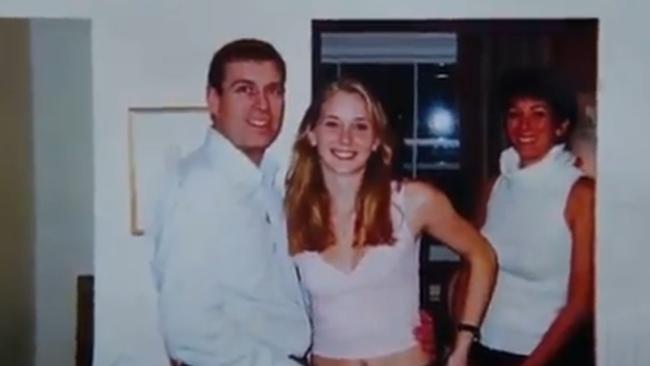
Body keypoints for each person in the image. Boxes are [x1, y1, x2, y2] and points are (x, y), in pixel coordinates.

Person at [151, 39, 433, 366]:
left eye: (273, 91)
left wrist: (394, 321)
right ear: (213, 100)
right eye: (245, 90)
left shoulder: (271, 189)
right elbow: (189, 332)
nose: (262, 105)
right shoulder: (198, 188)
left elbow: (290, 297)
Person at [285, 78, 497, 366]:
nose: (345, 138)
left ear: (375, 141)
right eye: (332, 124)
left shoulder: (413, 201)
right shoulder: (290, 211)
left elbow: (482, 255)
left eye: (360, 126)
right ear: (312, 134)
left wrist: (462, 346)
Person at [453, 68, 595, 366]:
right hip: (483, 348)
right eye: (514, 114)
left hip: (549, 355)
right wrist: (459, 343)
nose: (524, 125)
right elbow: (469, 268)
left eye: (538, 113)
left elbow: (580, 303)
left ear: (561, 126)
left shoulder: (580, 194)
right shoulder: (493, 186)